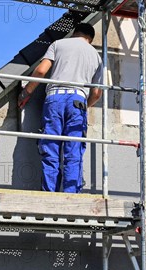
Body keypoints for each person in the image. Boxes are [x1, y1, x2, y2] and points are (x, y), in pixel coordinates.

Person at [18, 23, 103, 193]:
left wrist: (26, 93)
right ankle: (71, 196)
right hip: (78, 99)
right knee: (74, 151)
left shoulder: (58, 44)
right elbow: (97, 93)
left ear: (74, 33)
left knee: (50, 148)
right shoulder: (97, 57)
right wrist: (85, 108)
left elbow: (41, 71)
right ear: (90, 39)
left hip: (55, 98)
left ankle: (50, 194)